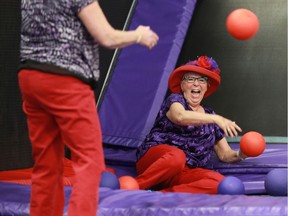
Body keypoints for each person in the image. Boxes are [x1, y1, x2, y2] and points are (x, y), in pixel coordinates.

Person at [18, 1, 159, 216]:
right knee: (89, 161)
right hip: (65, 80)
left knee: (46, 163)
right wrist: (138, 35)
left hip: (31, 77)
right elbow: (107, 37)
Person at [135, 56, 248, 194]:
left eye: (202, 80)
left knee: (219, 183)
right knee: (177, 157)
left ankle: (163, 194)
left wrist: (241, 153)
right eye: (190, 79)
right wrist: (216, 118)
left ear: (207, 87)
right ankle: (135, 187)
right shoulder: (176, 100)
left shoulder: (210, 116)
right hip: (157, 162)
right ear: (182, 85)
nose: (196, 84)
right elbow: (180, 116)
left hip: (183, 172)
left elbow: (225, 154)